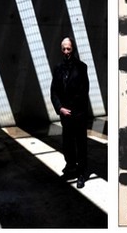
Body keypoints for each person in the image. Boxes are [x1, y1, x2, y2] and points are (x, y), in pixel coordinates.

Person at [51, 36, 90, 188]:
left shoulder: (82, 67)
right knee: (67, 143)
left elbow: (84, 91)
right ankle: (70, 166)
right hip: (65, 114)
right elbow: (54, 90)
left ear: (73, 49)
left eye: (69, 48)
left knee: (81, 143)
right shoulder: (58, 68)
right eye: (64, 49)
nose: (66, 51)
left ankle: (81, 173)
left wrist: (71, 110)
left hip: (78, 113)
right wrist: (60, 108)